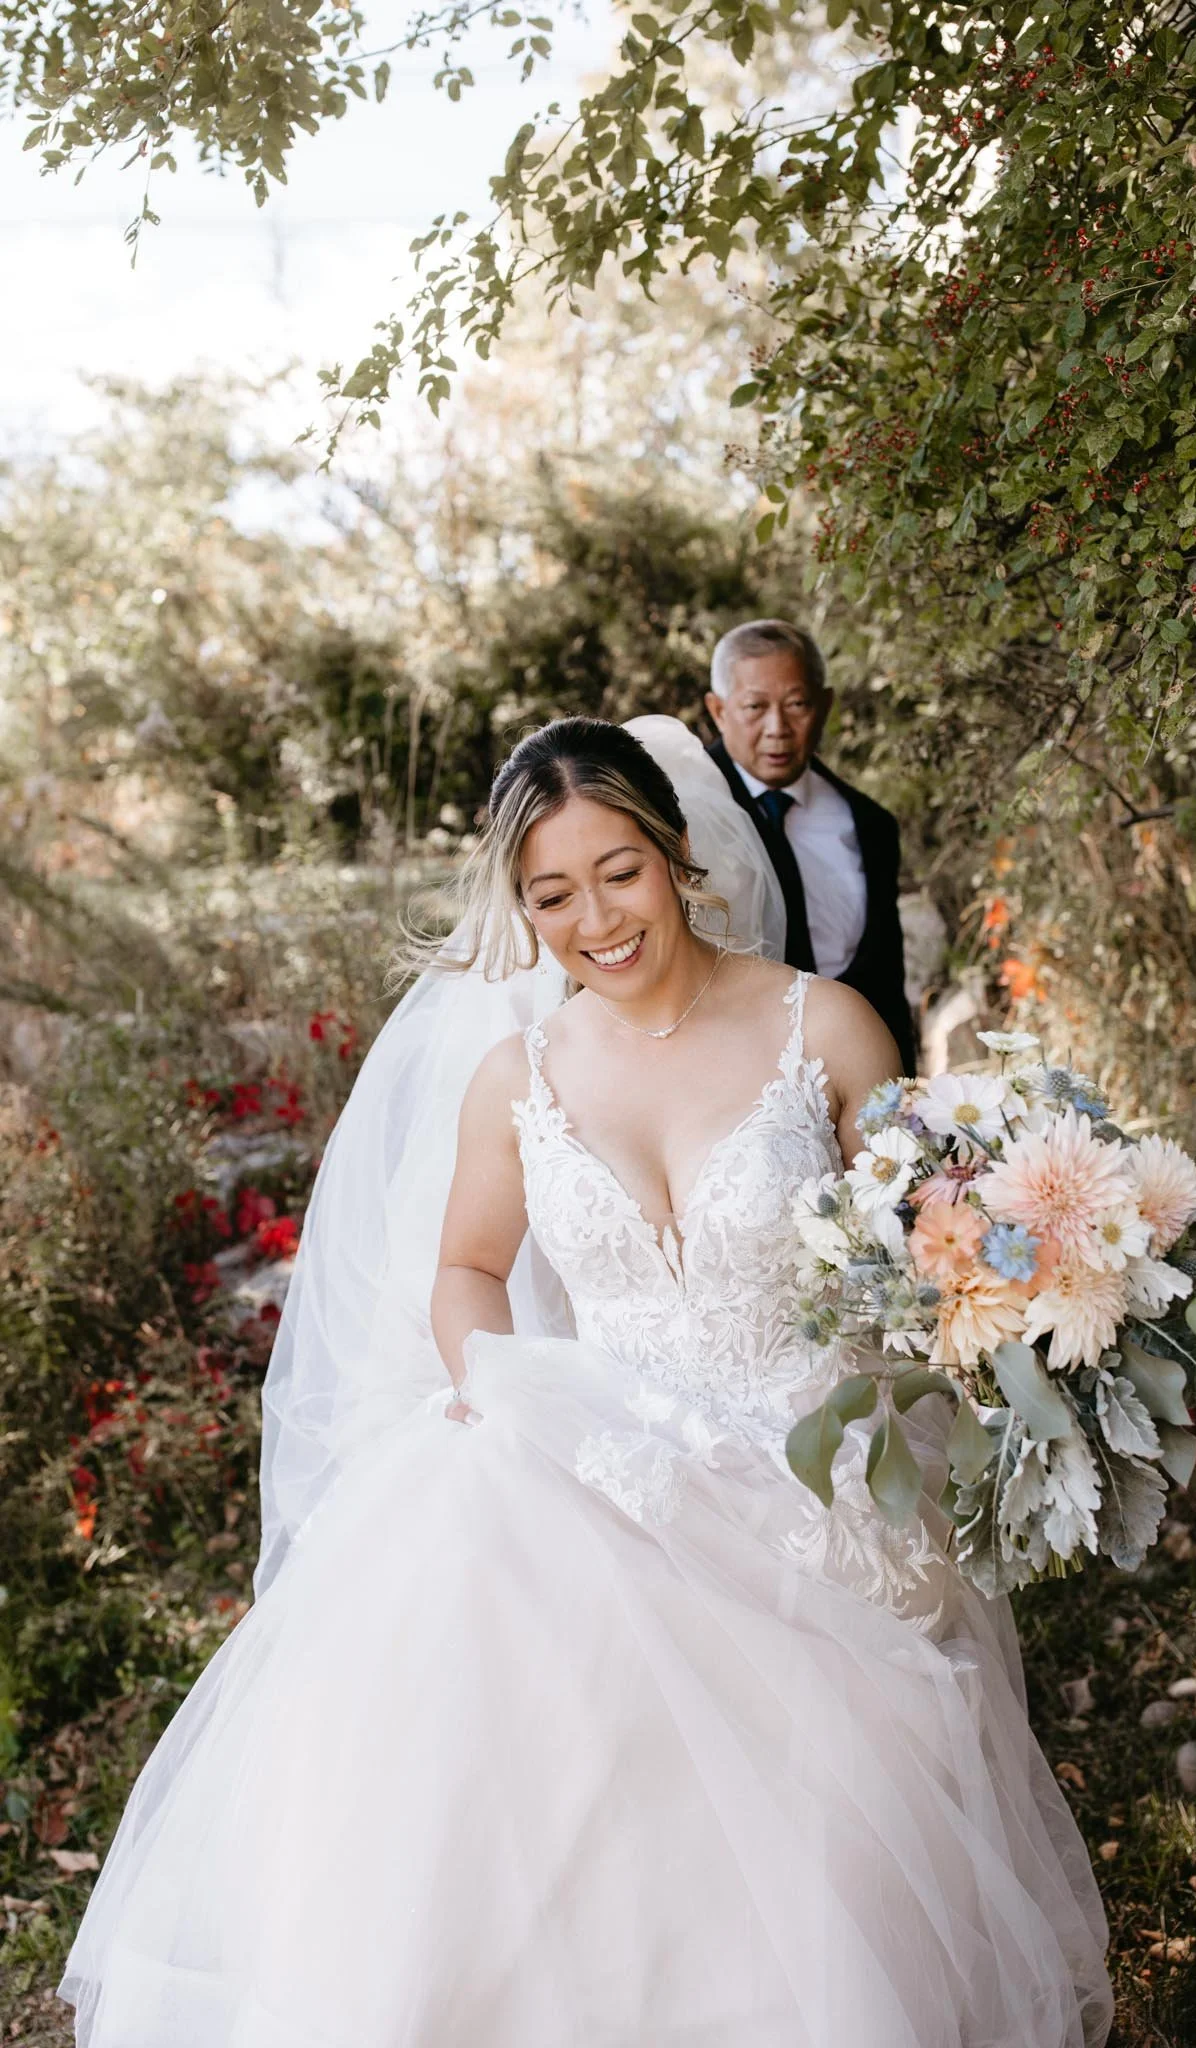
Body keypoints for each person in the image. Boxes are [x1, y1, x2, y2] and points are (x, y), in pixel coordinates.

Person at [60, 717, 1111, 2048]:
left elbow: (930, 1241)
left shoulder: (824, 1026)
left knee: (822, 1861)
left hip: (810, 1489)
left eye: (616, 871)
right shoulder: (519, 1076)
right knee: (536, 1821)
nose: (594, 919)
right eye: (551, 893)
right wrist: (491, 1383)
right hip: (598, 1465)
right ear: (520, 908)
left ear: (674, 854)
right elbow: (465, 1269)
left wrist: (1042, 1273)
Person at [706, 618, 919, 1073]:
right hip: (730, 1073)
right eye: (755, 707)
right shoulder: (680, 808)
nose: (777, 727)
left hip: (853, 1069)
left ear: (824, 706)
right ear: (719, 710)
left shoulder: (870, 824)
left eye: (797, 704)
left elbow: (886, 979)